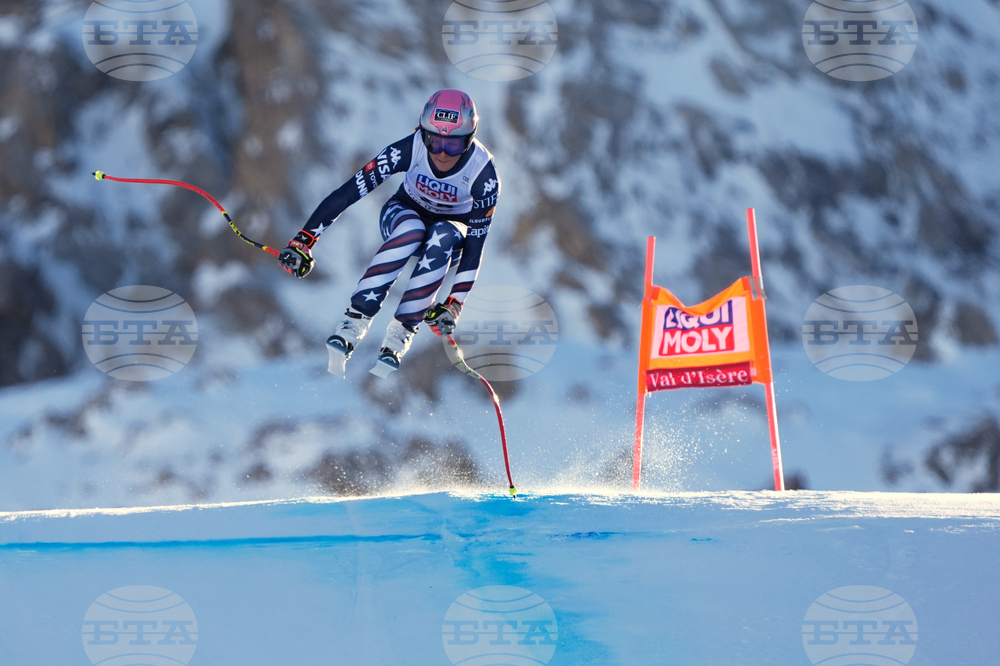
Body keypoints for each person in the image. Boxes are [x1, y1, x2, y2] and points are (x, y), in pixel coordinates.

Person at [277, 89, 501, 377]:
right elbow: (349, 192)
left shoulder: (484, 173)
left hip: (452, 236)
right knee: (412, 229)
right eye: (435, 141)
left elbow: (475, 246)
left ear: (469, 141)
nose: (443, 153)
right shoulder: (409, 149)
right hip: (403, 213)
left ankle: (402, 332)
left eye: (454, 145)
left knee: (442, 233)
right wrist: (304, 240)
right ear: (423, 134)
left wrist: (454, 304)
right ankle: (354, 321)